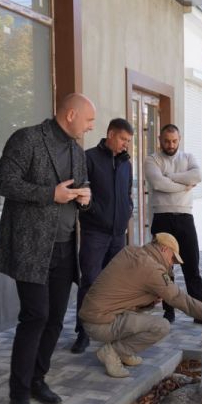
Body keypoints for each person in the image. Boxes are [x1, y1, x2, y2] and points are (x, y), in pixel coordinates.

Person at [0, 93, 95, 404]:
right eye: (88, 120)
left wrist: (85, 198)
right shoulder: (27, 139)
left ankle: (38, 379)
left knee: (55, 319)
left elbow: (80, 189)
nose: (91, 127)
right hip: (32, 247)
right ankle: (18, 395)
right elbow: (4, 183)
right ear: (71, 115)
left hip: (65, 246)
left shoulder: (77, 152)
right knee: (35, 316)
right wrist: (50, 194)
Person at [79, 233, 202, 378]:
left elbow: (126, 297)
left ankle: (124, 352)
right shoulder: (151, 269)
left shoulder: (132, 251)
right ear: (164, 249)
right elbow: (178, 298)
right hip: (100, 324)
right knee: (161, 326)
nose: (171, 264)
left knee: (143, 317)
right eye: (172, 258)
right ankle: (113, 352)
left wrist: (149, 301)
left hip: (94, 317)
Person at [70, 119, 134, 354]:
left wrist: (127, 211)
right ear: (110, 134)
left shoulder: (126, 163)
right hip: (95, 233)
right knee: (90, 282)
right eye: (123, 139)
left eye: (128, 141)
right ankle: (83, 332)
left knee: (113, 283)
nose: (126, 144)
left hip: (118, 235)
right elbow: (82, 193)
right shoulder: (89, 158)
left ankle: (109, 329)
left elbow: (127, 193)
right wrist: (94, 211)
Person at [144, 124, 202, 323]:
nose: (171, 145)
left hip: (185, 217)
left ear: (180, 139)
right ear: (160, 140)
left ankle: (199, 312)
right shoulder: (152, 160)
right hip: (162, 216)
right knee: (164, 269)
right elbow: (157, 183)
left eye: (174, 141)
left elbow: (198, 176)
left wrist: (171, 177)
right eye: (167, 141)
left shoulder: (188, 157)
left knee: (192, 267)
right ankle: (168, 312)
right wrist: (185, 186)